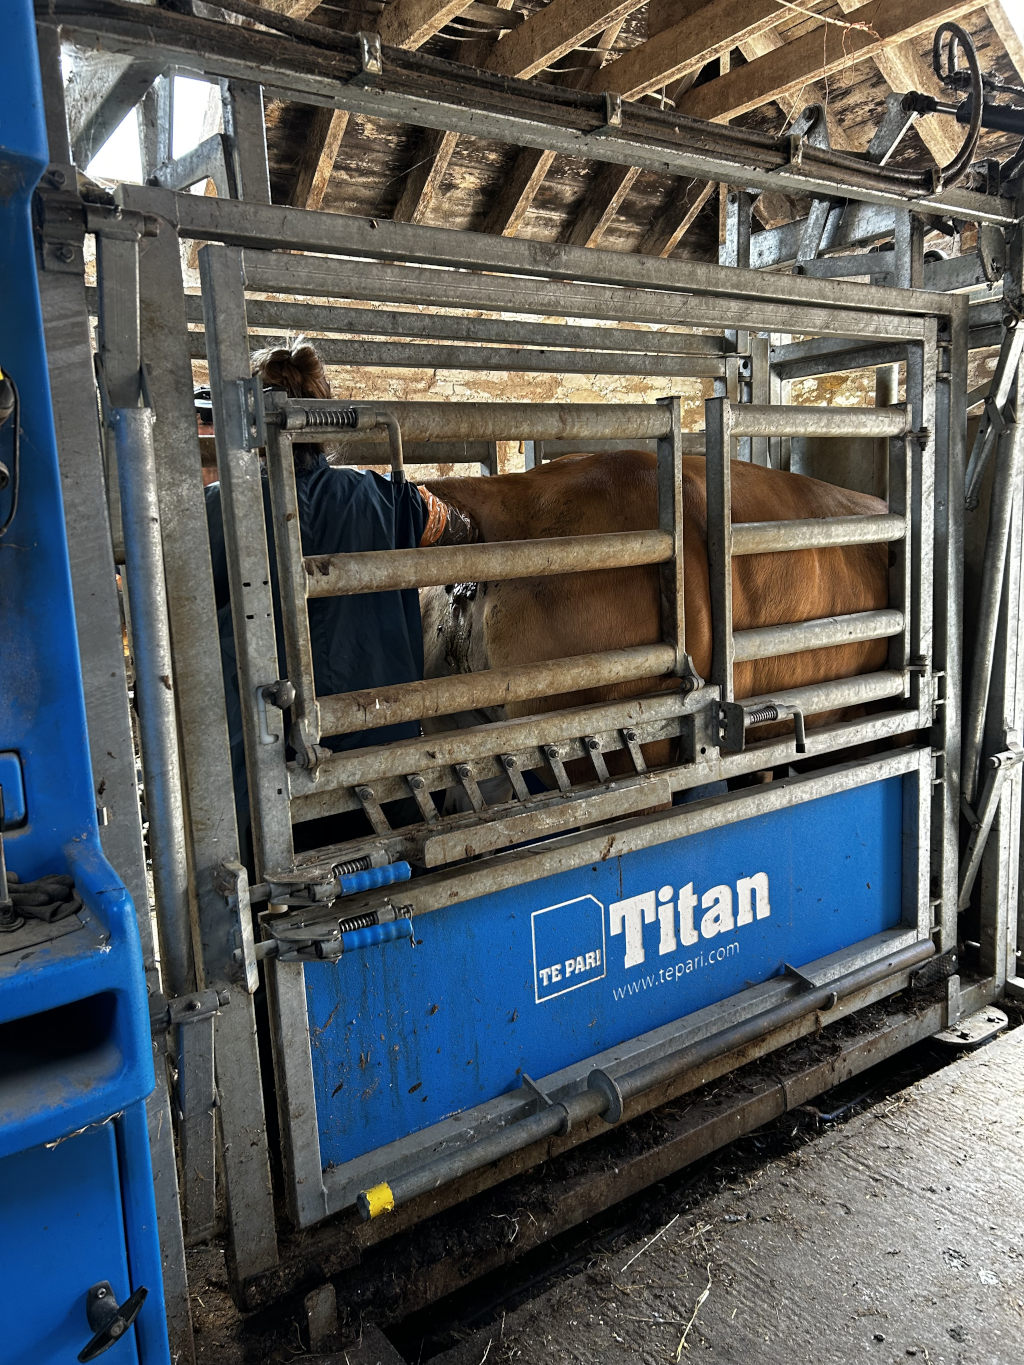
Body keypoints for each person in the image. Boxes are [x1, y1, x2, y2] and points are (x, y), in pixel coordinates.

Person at [203, 337, 473, 850]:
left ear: (251, 425)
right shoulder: (388, 499)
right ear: (326, 417)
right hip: (382, 772)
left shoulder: (214, 513)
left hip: (264, 784)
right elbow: (458, 531)